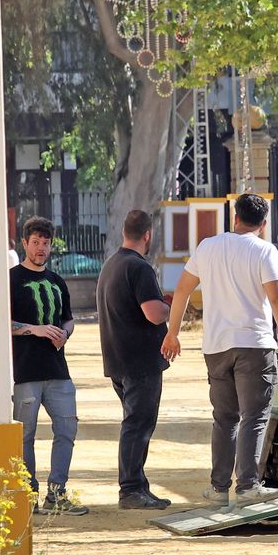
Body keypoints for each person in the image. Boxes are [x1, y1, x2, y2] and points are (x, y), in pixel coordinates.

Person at [162, 194, 278, 508]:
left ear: (234, 217)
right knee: (254, 416)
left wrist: (173, 334)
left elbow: (182, 290)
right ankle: (249, 485)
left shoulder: (207, 247)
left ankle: (218, 487)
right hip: (254, 344)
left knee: (224, 418)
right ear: (263, 225)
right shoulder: (264, 250)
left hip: (215, 346)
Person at [9, 216, 86, 515]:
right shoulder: (11, 279)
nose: (41, 249)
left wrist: (65, 333)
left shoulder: (57, 281)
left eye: (46, 243)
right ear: (25, 243)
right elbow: (0, 322)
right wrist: (34, 329)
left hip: (58, 370)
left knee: (67, 429)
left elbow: (68, 317)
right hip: (25, 372)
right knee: (25, 436)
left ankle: (57, 493)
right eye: (36, 242)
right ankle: (28, 496)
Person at [97, 210, 173, 511]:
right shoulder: (138, 268)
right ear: (148, 235)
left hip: (119, 360)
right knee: (137, 425)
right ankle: (130, 489)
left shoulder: (112, 264)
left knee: (135, 423)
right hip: (140, 363)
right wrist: (174, 306)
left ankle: (138, 486)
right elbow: (154, 313)